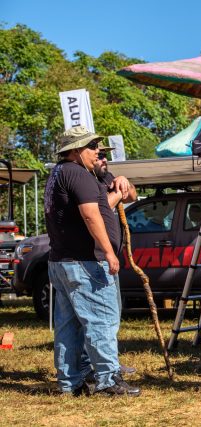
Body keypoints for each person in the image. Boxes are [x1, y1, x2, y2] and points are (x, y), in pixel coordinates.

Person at [45, 126, 140, 397]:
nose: (97, 151)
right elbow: (91, 215)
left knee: (69, 325)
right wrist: (109, 252)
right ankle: (109, 381)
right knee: (102, 321)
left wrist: (122, 181)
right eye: (91, 147)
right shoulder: (76, 173)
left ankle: (70, 382)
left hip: (64, 261)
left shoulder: (61, 173)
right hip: (86, 262)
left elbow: (127, 196)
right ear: (75, 150)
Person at [93, 143, 137, 376]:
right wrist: (118, 193)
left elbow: (133, 195)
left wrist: (123, 181)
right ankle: (104, 368)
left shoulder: (106, 177)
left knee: (112, 314)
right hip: (96, 257)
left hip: (109, 258)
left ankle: (110, 362)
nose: (103, 159)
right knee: (103, 317)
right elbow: (99, 210)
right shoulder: (87, 180)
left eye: (104, 156)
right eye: (99, 155)